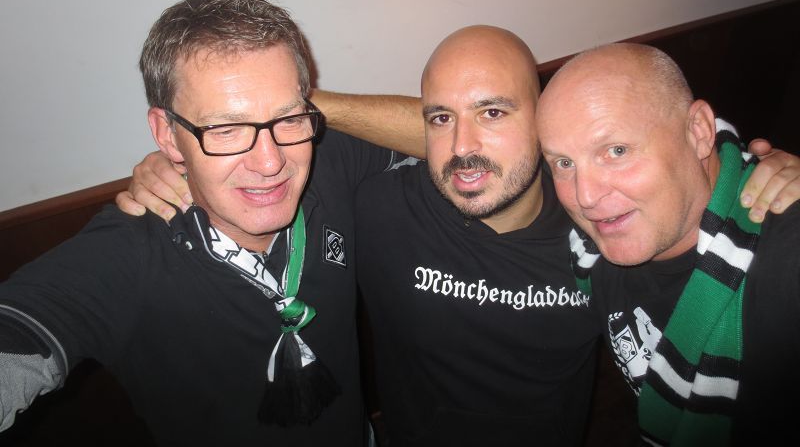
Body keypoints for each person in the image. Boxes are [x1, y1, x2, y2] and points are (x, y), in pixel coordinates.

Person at [118, 26, 800, 446]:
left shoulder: (594, 229)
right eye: (440, 119)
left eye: (495, 112)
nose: (591, 190)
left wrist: (766, 174)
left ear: (537, 127)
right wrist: (217, 141)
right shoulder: (379, 199)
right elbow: (259, 163)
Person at [0, 0, 404, 445]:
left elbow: (450, 137)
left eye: (288, 118)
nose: (269, 162)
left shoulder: (328, 157)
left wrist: (303, 103)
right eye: (226, 129)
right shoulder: (126, 255)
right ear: (167, 135)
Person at [536, 43, 800, 446]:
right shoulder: (588, 248)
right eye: (564, 163)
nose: (584, 196)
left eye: (616, 151)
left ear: (699, 132)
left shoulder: (784, 260)